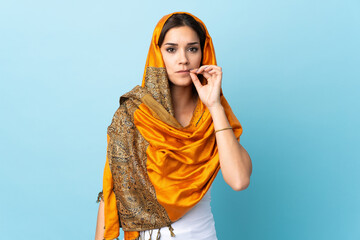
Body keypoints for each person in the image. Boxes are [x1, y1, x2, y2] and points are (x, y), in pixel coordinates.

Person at [95, 12, 252, 240]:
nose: (183, 59)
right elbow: (112, 191)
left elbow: (239, 180)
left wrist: (215, 106)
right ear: (157, 55)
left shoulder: (213, 116)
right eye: (171, 49)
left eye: (192, 48)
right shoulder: (134, 116)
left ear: (204, 53)